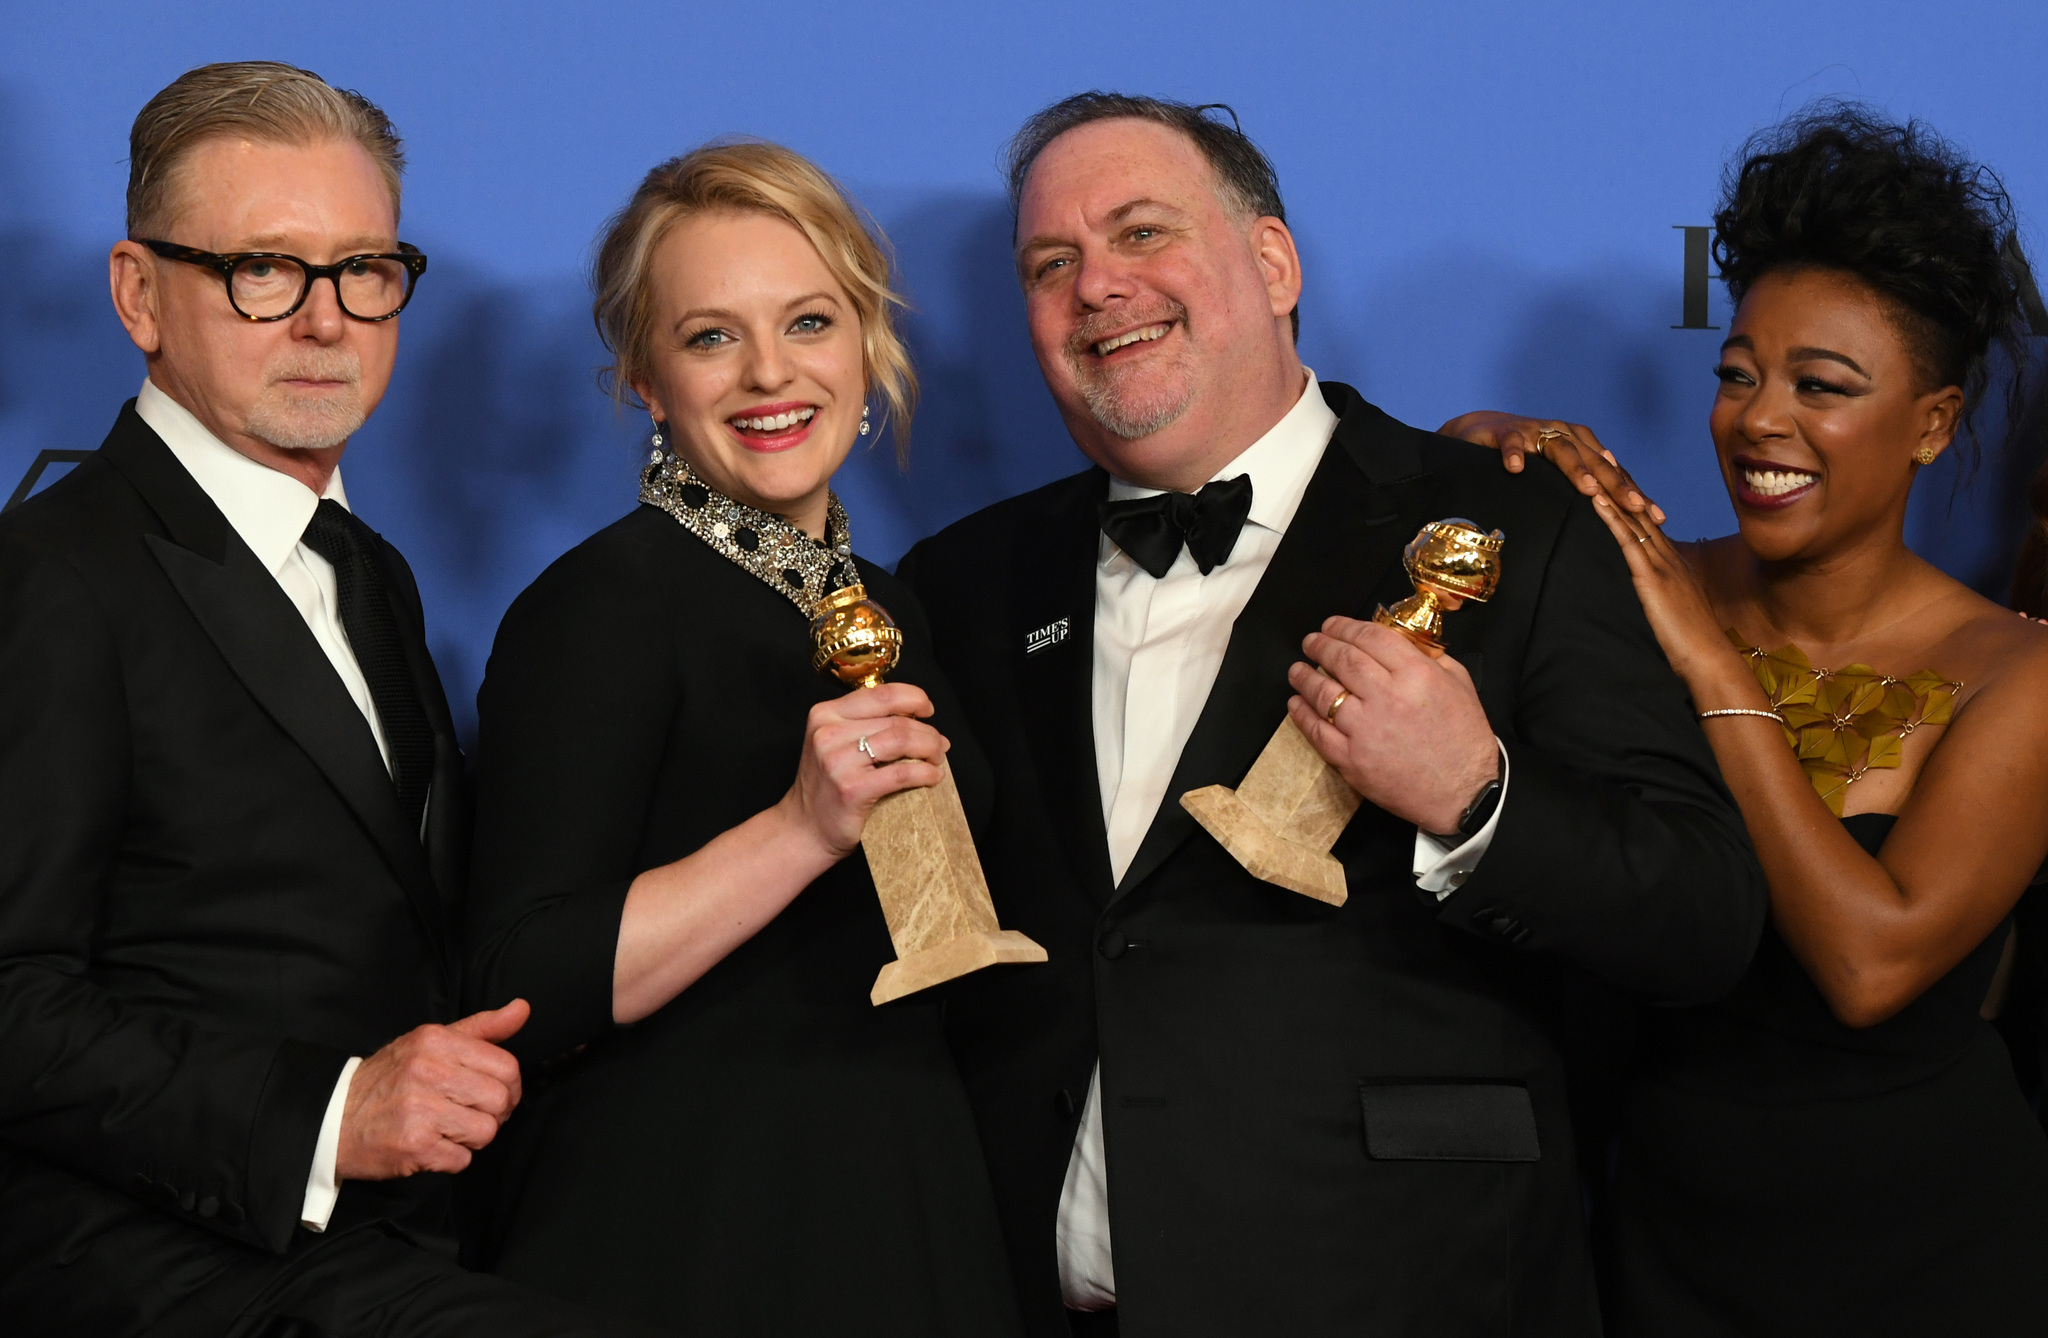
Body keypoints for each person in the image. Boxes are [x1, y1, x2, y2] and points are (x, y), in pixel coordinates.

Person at [893, 92, 1767, 1337]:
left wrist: (1478, 799)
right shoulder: (961, 582)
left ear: (1271, 261)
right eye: (1051, 263)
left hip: (1403, 1291)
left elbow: (1702, 919)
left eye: (1141, 233)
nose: (1097, 286)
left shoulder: (1513, 522)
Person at [0, 62, 644, 1337]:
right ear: (140, 294)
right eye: (262, 270)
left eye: (362, 271)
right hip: (150, 1259)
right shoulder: (49, 576)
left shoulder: (369, 573)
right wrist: (330, 1114)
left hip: (399, 1247)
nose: (324, 321)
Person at [1448, 105, 2048, 1334]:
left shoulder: (2013, 673)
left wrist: (1710, 670)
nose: (1756, 420)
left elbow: (1869, 965)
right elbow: (1431, 492)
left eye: (1819, 386)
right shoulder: (1642, 579)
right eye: (1735, 375)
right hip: (1656, 1223)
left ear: (1930, 424)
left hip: (1927, 1246)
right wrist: (1489, 448)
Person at [462, 141, 1023, 1336]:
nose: (770, 373)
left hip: (907, 1224)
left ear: (865, 343)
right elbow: (519, 979)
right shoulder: (595, 608)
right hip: (687, 1245)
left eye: (809, 322)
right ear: (643, 378)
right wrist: (794, 832)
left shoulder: (893, 607)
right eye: (711, 336)